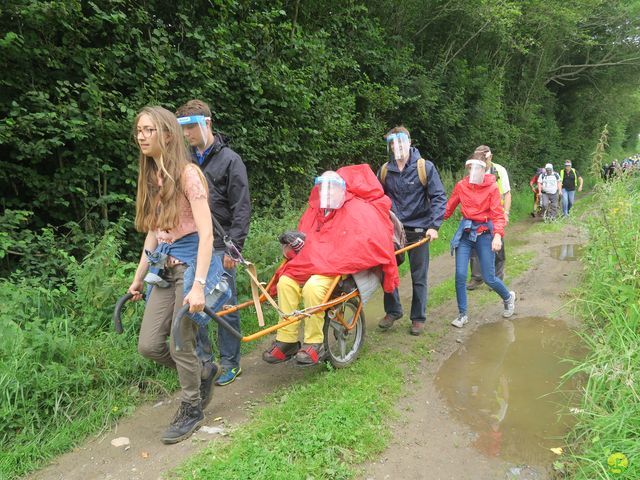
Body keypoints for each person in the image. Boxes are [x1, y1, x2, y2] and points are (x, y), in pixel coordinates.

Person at [127, 106, 226, 444]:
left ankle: (192, 406)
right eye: (139, 130)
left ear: (167, 135)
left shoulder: (188, 175)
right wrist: (138, 277)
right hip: (165, 265)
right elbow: (154, 233)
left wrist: (198, 286)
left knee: (179, 339)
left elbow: (207, 234)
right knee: (150, 345)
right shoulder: (152, 176)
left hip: (195, 262)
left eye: (149, 130)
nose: (142, 136)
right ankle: (202, 372)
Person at [262, 165, 399, 365]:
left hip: (336, 267)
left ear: (341, 190)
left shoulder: (355, 209)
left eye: (332, 188)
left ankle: (313, 342)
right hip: (313, 262)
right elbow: (306, 242)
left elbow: (364, 244)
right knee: (285, 281)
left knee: (313, 287)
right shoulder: (313, 211)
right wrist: (293, 244)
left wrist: (331, 257)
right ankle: (287, 339)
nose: (328, 192)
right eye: (324, 188)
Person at [176, 99, 251, 387]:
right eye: (184, 129)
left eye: (192, 127)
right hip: (193, 245)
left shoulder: (230, 160)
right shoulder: (186, 162)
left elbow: (242, 208)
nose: (187, 135)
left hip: (222, 245)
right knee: (196, 307)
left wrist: (235, 248)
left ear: (207, 123)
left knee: (224, 306)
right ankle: (206, 362)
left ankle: (231, 363)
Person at [376, 126, 447, 336]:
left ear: (409, 142)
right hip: (394, 230)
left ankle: (417, 318)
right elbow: (376, 198)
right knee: (385, 269)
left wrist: (434, 226)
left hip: (419, 229)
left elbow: (438, 197)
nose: (397, 146)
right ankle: (393, 310)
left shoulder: (424, 167)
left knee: (419, 276)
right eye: (393, 143)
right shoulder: (384, 171)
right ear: (390, 145)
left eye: (401, 142)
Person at [444, 152, 516, 328]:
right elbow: (447, 209)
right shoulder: (461, 186)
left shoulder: (492, 188)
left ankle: (508, 297)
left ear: (485, 169)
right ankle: (462, 314)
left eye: (479, 168)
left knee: (489, 277)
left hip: (485, 233)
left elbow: (497, 215)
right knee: (460, 275)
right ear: (468, 168)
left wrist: (497, 235)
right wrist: (431, 225)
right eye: (471, 167)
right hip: (466, 234)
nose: (474, 171)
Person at [467, 145, 511, 290]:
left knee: (497, 245)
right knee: (474, 245)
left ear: (490, 157)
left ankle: (496, 278)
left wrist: (506, 213)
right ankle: (477, 277)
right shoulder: (474, 170)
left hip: (495, 213)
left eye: (484, 158)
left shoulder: (499, 171)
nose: (480, 161)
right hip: (477, 214)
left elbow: (507, 193)